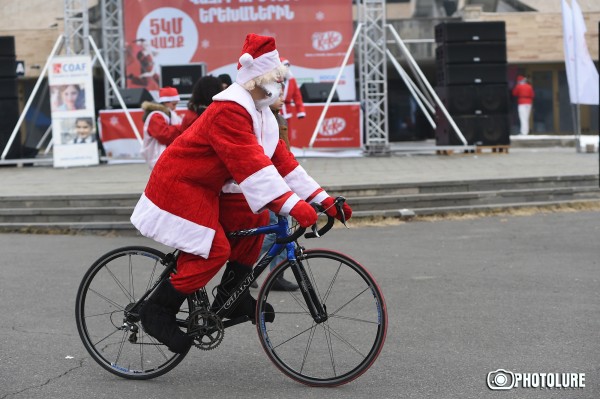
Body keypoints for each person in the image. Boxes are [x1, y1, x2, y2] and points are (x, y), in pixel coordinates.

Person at [130, 33, 352, 354]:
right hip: (181, 182)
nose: (280, 89)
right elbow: (253, 169)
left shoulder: (262, 114)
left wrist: (324, 200)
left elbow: (285, 165)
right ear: (256, 81)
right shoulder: (230, 110)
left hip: (210, 185)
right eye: (275, 81)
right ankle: (157, 311)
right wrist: (294, 205)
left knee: (256, 216)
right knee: (214, 249)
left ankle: (231, 297)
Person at [256, 84, 298, 291]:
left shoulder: (278, 118)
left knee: (282, 229)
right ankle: (248, 263)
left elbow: (284, 152)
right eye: (278, 94)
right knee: (276, 231)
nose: (283, 98)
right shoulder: (264, 119)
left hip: (281, 179)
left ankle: (277, 273)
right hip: (271, 181)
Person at [140, 86, 182, 169]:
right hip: (158, 156)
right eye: (174, 104)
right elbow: (163, 135)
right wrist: (181, 128)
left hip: (165, 155)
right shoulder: (156, 116)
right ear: (165, 102)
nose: (175, 107)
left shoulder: (168, 114)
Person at [279, 58, 306, 136]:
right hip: (275, 112)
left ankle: (287, 148)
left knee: (287, 133)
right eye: (284, 66)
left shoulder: (291, 80)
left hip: (287, 110)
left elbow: (297, 96)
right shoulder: (273, 79)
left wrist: (300, 111)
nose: (286, 68)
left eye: (288, 66)